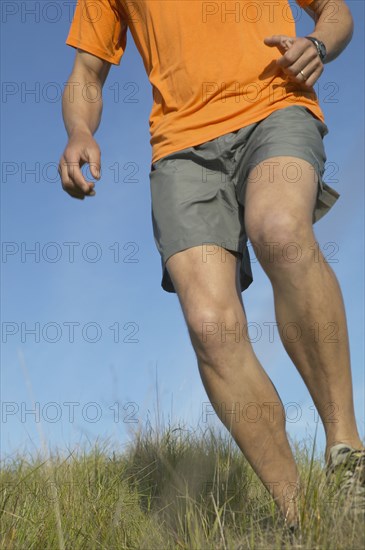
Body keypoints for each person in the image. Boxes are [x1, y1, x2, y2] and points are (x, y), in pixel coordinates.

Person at [59, 0, 364, 534]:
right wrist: (79, 131)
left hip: (275, 106)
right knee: (210, 327)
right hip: (180, 147)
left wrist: (318, 44)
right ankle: (303, 519)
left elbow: (336, 11)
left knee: (280, 230)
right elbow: (87, 71)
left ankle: (348, 457)